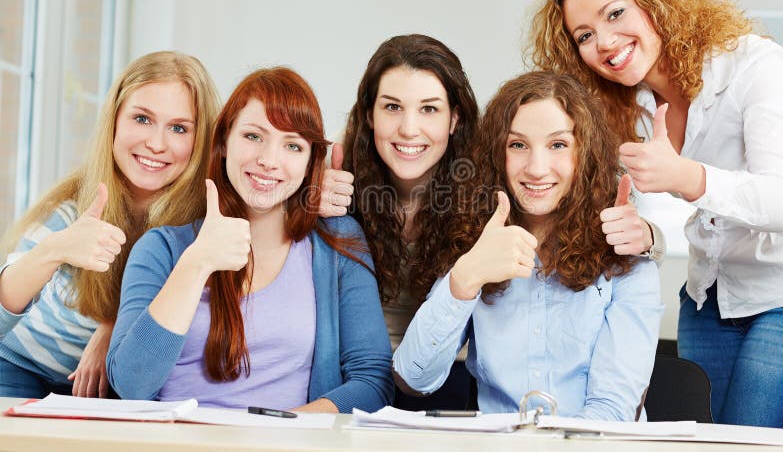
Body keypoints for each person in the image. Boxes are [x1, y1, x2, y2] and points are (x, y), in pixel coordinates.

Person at [529, 0, 783, 428]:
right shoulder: (624, 107)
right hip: (705, 301)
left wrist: (686, 177)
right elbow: (636, 221)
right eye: (584, 35)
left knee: (751, 438)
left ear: (655, 1)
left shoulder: (754, 67)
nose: (605, 42)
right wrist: (644, 234)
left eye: (615, 14)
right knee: (703, 439)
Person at [106, 67, 393, 413]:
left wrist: (277, 429)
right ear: (225, 141)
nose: (269, 161)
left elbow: (372, 383)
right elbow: (131, 385)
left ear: (310, 162)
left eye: (292, 145)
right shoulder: (161, 249)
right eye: (254, 136)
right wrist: (196, 265)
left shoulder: (338, 244)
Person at [393, 71, 662, 419]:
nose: (536, 168)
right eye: (517, 145)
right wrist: (465, 279)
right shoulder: (477, 247)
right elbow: (414, 378)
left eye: (558, 145)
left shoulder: (627, 260)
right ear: (497, 156)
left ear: (586, 155)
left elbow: (612, 411)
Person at [0, 51, 220, 399]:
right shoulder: (73, 206)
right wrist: (53, 250)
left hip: (114, 387)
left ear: (201, 140)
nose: (156, 143)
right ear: (115, 120)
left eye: (178, 128)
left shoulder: (204, 224)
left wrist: (114, 325)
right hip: (18, 365)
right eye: (142, 119)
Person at [322, 34, 480, 408]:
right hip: (348, 385)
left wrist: (650, 236)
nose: (409, 129)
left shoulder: (485, 200)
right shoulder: (336, 187)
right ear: (368, 115)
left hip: (449, 387)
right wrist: (300, 212)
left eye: (429, 109)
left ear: (454, 118)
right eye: (393, 107)